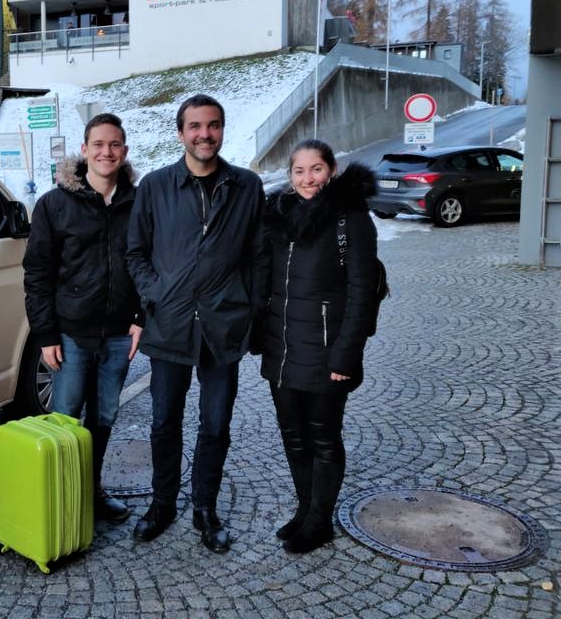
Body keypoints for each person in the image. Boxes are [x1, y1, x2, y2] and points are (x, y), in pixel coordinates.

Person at [126, 94, 267, 552]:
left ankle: (205, 507)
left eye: (213, 125)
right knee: (164, 422)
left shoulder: (246, 186)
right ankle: (162, 502)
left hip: (222, 329)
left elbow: (258, 255)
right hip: (169, 327)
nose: (204, 134)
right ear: (181, 132)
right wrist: (155, 294)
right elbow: (136, 252)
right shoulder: (155, 185)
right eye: (195, 126)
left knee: (216, 424)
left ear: (222, 129)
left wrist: (249, 310)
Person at [255, 138, 378, 553]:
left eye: (316, 169)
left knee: (324, 438)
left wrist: (347, 354)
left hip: (327, 350)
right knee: (293, 436)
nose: (308, 179)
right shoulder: (280, 214)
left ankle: (320, 521)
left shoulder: (351, 217)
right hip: (283, 347)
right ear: (290, 176)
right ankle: (306, 509)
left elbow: (362, 292)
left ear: (332, 170)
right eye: (299, 171)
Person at [23, 113, 142, 523]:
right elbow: (37, 273)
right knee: (65, 420)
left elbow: (151, 264)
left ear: (124, 151)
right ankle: (63, 499)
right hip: (71, 334)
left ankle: (91, 490)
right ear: (85, 149)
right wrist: (46, 333)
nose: (106, 152)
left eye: (114, 145)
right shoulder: (54, 204)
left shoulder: (138, 203)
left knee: (104, 418)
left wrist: (141, 316)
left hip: (117, 335)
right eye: (98, 144)